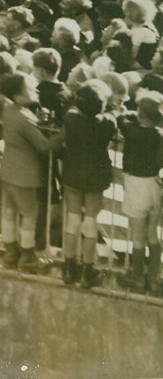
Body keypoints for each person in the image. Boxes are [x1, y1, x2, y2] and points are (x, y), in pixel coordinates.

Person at [0, 72, 63, 274]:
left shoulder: (10, 111)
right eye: (29, 88)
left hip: (7, 171)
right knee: (29, 215)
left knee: (8, 212)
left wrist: (38, 122)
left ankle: (10, 253)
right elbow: (43, 146)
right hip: (24, 176)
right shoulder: (25, 118)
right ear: (18, 96)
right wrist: (64, 132)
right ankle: (27, 257)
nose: (35, 89)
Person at [61, 80, 116, 288]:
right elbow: (111, 115)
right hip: (95, 180)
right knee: (90, 222)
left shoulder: (71, 118)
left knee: (73, 219)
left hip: (73, 177)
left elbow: (72, 110)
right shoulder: (108, 124)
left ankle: (68, 266)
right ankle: (87, 268)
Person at [118, 90, 163, 293]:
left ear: (140, 114)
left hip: (137, 188)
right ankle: (154, 278)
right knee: (153, 234)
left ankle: (137, 277)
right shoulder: (160, 135)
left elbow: (121, 119)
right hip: (155, 187)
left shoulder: (132, 131)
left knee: (138, 236)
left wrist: (126, 112)